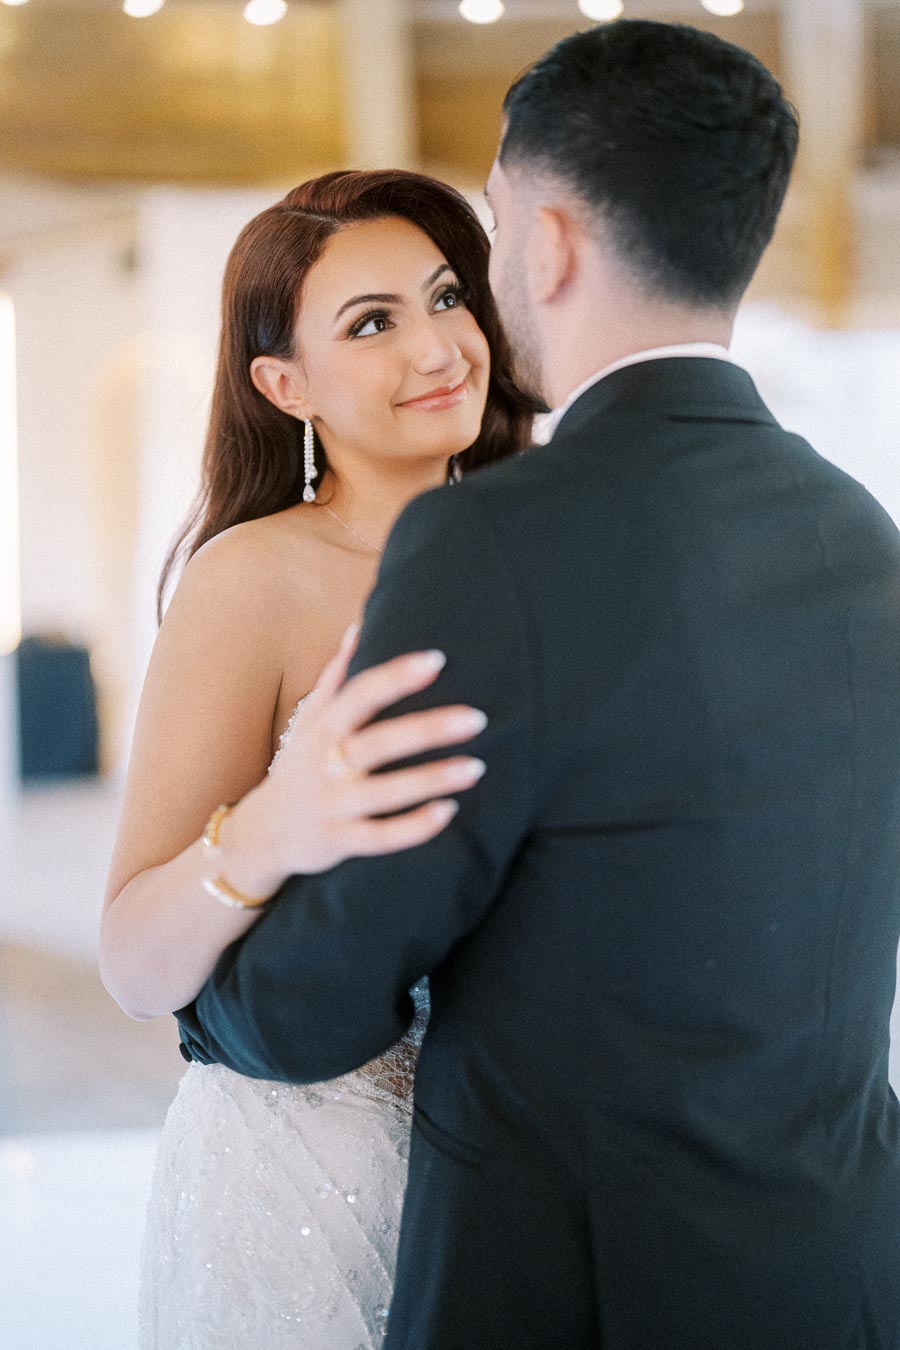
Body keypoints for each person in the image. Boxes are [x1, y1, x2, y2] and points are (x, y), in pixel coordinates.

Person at [175, 20, 900, 1350]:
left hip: (582, 1294)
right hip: (836, 1274)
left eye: (492, 238)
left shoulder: (496, 542)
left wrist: (209, 1000)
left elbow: (330, 985)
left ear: (551, 244)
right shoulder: (864, 535)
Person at [99, 168, 538, 1347]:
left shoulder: (547, 557)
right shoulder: (256, 580)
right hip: (304, 1176)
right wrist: (273, 826)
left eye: (448, 298)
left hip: (512, 1179)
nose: (441, 347)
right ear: (285, 385)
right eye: (373, 324)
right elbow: (135, 965)